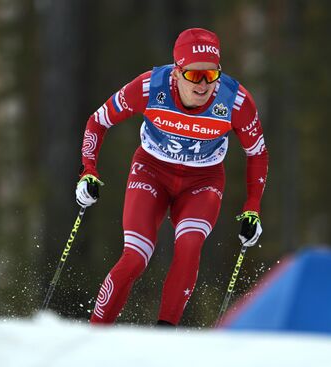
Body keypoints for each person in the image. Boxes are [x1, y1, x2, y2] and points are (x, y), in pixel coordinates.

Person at [75, 28, 269, 326]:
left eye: (211, 75)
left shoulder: (236, 101)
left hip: (203, 180)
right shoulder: (149, 88)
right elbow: (98, 121)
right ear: (176, 73)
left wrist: (253, 206)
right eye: (194, 76)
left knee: (189, 246)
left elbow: (257, 152)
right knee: (135, 257)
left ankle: (164, 336)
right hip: (152, 171)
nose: (204, 85)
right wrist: (88, 171)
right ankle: (93, 335)